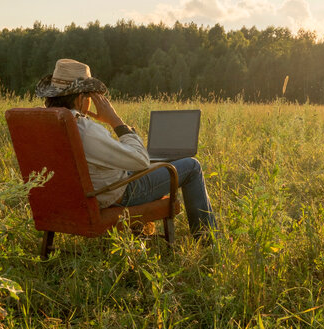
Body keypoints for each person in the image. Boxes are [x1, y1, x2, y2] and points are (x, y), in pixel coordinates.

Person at [35, 58, 217, 240]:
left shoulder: (43, 122)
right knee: (192, 166)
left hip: (75, 194)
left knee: (160, 162)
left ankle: (141, 239)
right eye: (90, 97)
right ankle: (207, 239)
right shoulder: (84, 130)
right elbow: (141, 161)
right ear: (81, 98)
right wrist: (116, 122)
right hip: (114, 193)